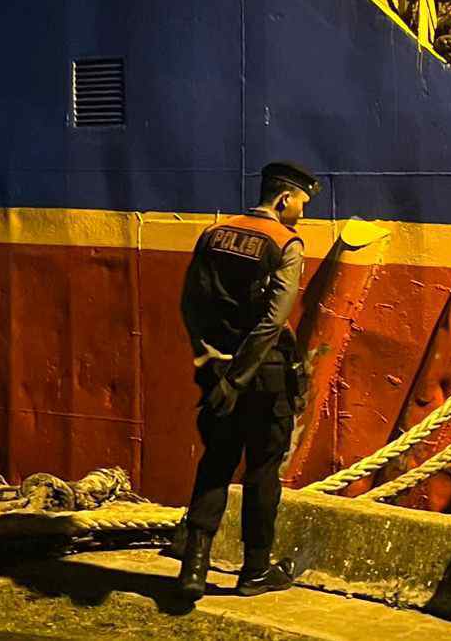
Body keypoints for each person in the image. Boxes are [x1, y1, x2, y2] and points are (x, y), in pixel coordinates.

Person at [171, 161, 320, 603]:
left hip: (217, 371)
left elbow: (189, 303)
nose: (302, 212)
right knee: (262, 472)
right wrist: (238, 379)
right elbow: (273, 321)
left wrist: (208, 361)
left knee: (215, 462)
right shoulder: (285, 243)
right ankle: (254, 570)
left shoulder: (213, 233)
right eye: (301, 203)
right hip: (264, 375)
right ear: (283, 199)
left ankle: (193, 567)